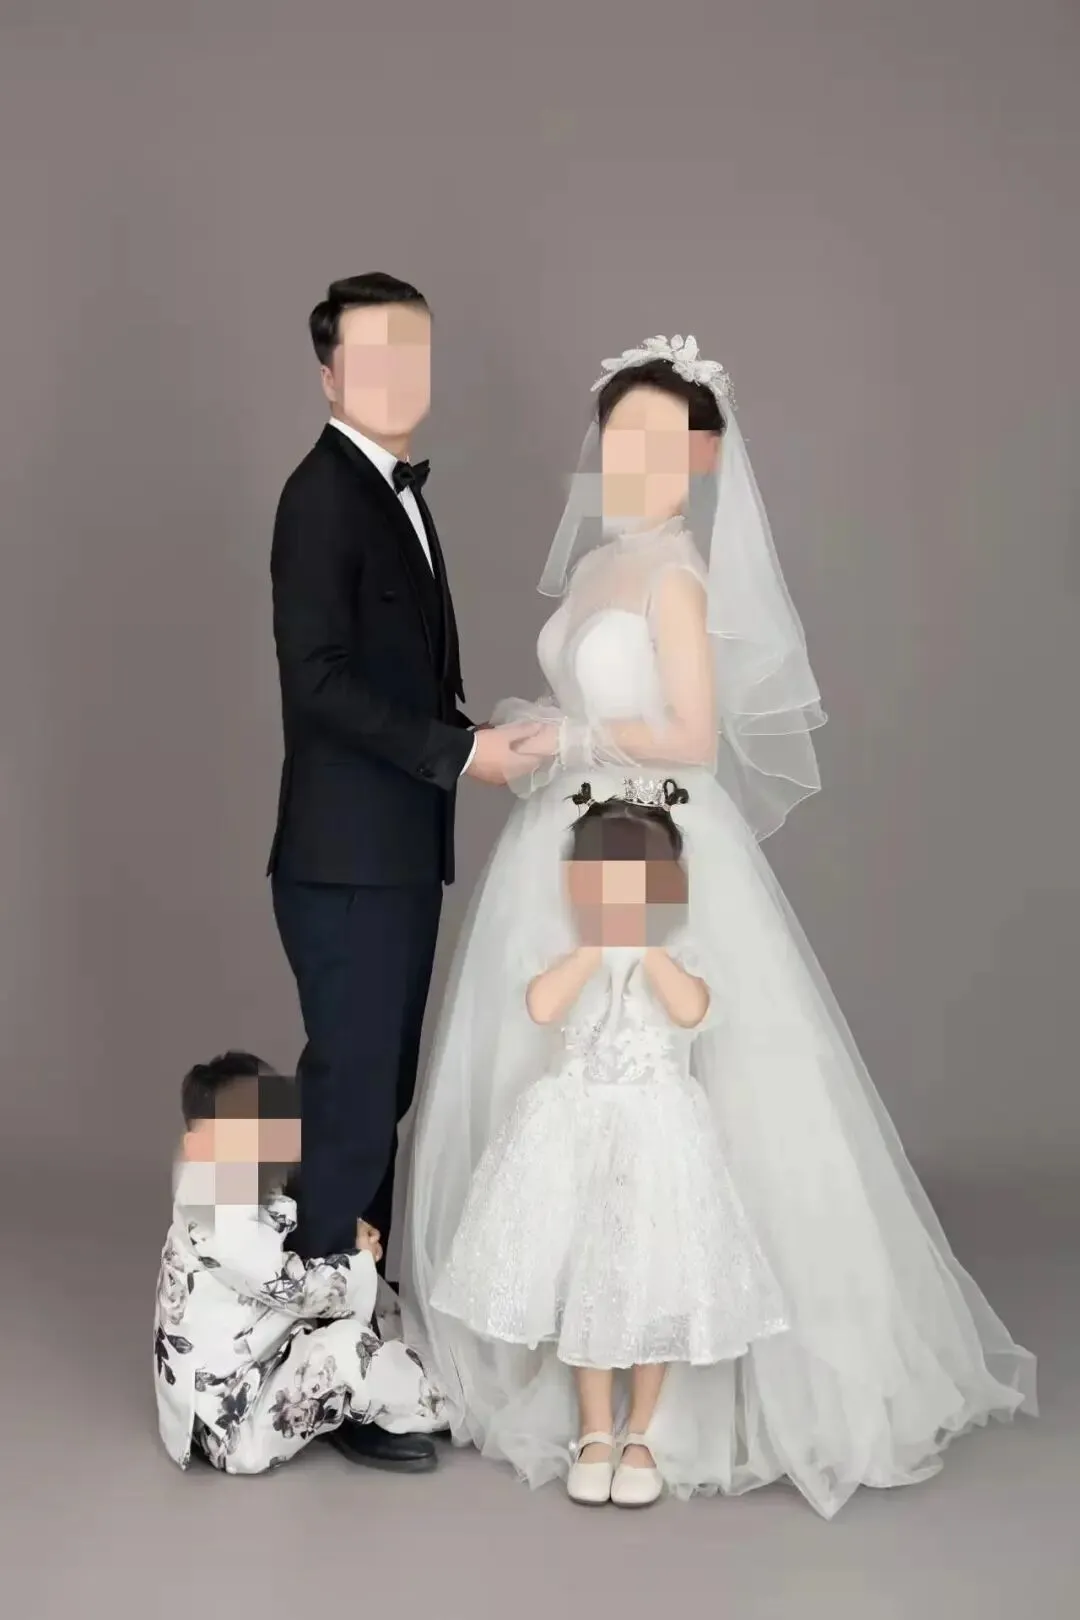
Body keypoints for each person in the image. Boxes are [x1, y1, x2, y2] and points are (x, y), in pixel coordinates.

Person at [402, 335, 1037, 1518]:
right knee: (551, 1088)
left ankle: (670, 1403)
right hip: (564, 838)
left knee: (674, 1099)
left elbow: (691, 735)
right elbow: (595, 695)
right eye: (617, 439)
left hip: (653, 837)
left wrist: (574, 740)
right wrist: (547, 735)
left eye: (658, 442)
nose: (633, 461)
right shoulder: (602, 563)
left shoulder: (678, 577)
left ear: (701, 456)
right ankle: (565, 1362)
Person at [266, 273, 530, 1472]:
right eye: (372, 357)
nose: (396, 377)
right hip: (344, 861)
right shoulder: (320, 496)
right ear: (330, 373)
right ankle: (325, 1373)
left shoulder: (393, 492)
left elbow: (405, 682)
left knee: (380, 1099)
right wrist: (460, 754)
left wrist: (483, 737)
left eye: (413, 354)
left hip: (394, 853)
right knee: (353, 1105)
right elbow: (317, 685)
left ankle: (358, 1333)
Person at [429, 781, 789, 1506]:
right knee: (583, 1274)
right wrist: (594, 947)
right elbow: (542, 1006)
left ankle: (642, 1433)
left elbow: (691, 1010)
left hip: (655, 1132)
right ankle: (595, 1430)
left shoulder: (679, 951)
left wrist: (647, 947)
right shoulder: (570, 949)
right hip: (575, 1129)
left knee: (654, 1273)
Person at [154, 1052, 445, 1476]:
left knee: (377, 1303)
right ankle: (448, 1404)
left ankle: (415, 1370)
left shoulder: (227, 1184)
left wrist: (345, 1234)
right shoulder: (214, 1216)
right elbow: (290, 1287)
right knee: (347, 1348)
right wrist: (359, 1259)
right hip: (234, 1423)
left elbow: (281, 1227)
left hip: (248, 1372)